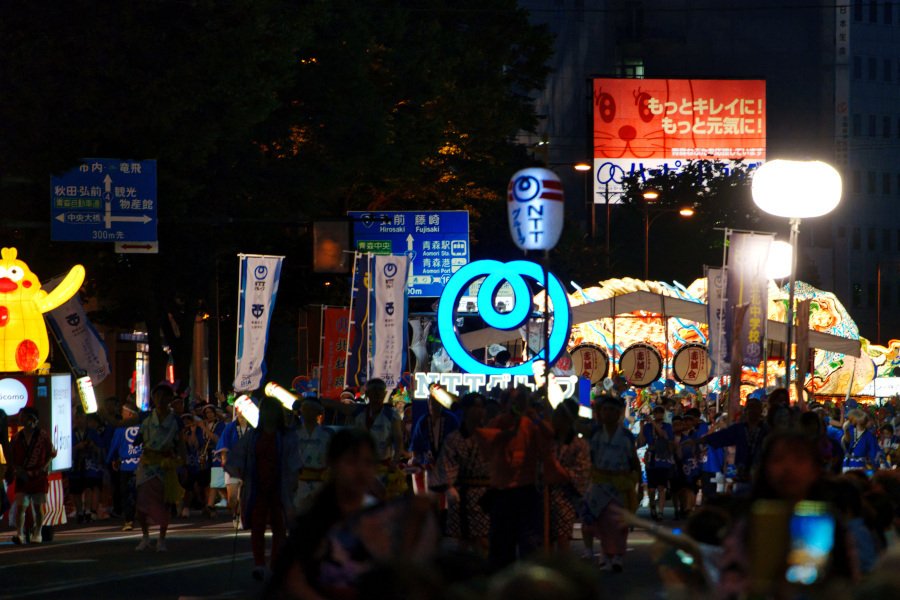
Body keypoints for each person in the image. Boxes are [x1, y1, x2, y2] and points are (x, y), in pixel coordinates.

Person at [269, 428, 380, 599]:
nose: (361, 471)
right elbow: (291, 580)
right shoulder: (312, 521)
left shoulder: (381, 517)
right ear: (333, 464)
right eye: (351, 462)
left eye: (368, 462)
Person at [475, 386, 556, 571]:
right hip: (502, 492)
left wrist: (535, 416)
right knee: (501, 548)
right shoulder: (497, 422)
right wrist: (508, 432)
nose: (516, 406)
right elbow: (486, 441)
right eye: (513, 401)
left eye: (520, 401)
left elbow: (550, 435)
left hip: (526, 490)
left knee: (530, 546)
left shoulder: (531, 424)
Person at [229, 396, 300, 581]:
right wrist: (240, 470)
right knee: (258, 525)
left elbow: (294, 460)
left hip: (279, 485)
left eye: (271, 410)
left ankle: (275, 562)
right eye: (266, 410)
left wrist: (293, 480)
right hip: (258, 485)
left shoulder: (286, 436)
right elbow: (239, 456)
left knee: (279, 526)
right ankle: (259, 563)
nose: (269, 414)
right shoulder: (253, 436)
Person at [580, 395, 641, 572]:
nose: (608, 413)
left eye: (613, 410)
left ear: (619, 413)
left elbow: (633, 460)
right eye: (605, 409)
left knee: (618, 521)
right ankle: (605, 554)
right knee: (596, 519)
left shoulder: (626, 436)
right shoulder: (595, 433)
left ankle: (617, 555)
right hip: (599, 482)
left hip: (620, 483)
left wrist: (637, 484)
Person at [431, 392, 491, 552]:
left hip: (487, 495)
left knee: (484, 540)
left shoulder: (490, 435)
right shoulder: (454, 438)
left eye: (481, 407)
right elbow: (446, 463)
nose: (479, 411)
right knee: (462, 542)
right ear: (465, 410)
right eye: (474, 407)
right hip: (461, 494)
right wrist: (448, 487)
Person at [134, 384, 184, 552]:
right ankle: (145, 535)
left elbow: (181, 443)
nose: (160, 400)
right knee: (141, 502)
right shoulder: (146, 417)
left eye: (164, 396)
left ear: (170, 399)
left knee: (165, 502)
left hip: (165, 463)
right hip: (147, 463)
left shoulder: (175, 420)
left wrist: (182, 461)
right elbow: (126, 427)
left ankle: (161, 539)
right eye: (157, 396)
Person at [700, 397, 769, 495]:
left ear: (760, 411)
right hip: (742, 476)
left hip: (762, 476)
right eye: (749, 408)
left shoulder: (767, 430)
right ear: (745, 411)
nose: (752, 411)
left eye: (755, 408)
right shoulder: (739, 429)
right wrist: (698, 441)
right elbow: (720, 437)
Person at [9, 407, 57, 544]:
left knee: (37, 507)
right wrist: (15, 469)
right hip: (23, 476)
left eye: (23, 416)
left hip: (38, 476)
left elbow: (51, 453)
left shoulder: (43, 436)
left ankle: (38, 532)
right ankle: (20, 534)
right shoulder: (17, 437)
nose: (20, 419)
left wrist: (44, 467)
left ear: (31, 418)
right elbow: (11, 456)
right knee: (21, 507)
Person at [352, 378, 407, 499]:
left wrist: (395, 461)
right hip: (362, 467)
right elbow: (339, 406)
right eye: (374, 391)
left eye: (380, 391)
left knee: (382, 500)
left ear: (384, 393)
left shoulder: (391, 415)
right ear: (367, 394)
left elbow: (398, 440)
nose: (377, 394)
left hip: (383, 467)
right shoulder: (359, 411)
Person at [107, 399, 143, 531]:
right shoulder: (143, 427)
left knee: (126, 493)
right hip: (141, 464)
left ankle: (129, 520)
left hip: (127, 466)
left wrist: (110, 459)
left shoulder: (121, 428)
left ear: (130, 414)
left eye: (123, 412)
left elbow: (114, 446)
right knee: (141, 492)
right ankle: (142, 516)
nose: (122, 414)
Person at [637, 405, 675, 520]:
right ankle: (653, 507)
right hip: (651, 458)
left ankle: (660, 512)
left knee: (661, 487)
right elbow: (641, 442)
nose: (658, 414)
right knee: (651, 488)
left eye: (660, 412)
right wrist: (642, 428)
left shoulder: (667, 426)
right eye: (656, 412)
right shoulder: (647, 427)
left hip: (663, 458)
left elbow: (663, 435)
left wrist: (653, 423)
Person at [293, 398, 332, 513]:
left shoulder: (327, 435)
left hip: (321, 486)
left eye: (311, 409)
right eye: (305, 409)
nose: (307, 412)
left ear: (318, 412)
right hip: (299, 486)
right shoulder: (294, 434)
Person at [217, 405, 251, 529]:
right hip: (233, 465)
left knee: (244, 495)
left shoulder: (254, 427)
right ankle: (235, 514)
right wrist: (224, 459)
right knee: (232, 498)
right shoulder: (230, 427)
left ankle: (242, 517)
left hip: (248, 465)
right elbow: (223, 444)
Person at [70, 407, 103, 523]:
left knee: (89, 487)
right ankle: (79, 512)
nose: (80, 420)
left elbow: (100, 449)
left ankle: (88, 511)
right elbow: (66, 449)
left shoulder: (92, 432)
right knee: (76, 489)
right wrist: (77, 447)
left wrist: (93, 446)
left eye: (82, 417)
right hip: (75, 464)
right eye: (77, 418)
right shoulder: (71, 433)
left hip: (89, 464)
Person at [200, 403, 226, 517]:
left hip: (217, 455)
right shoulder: (205, 425)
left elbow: (217, 439)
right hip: (206, 457)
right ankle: (212, 505)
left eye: (211, 412)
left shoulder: (220, 425)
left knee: (215, 480)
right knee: (209, 481)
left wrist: (204, 428)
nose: (209, 415)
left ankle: (210, 505)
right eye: (206, 413)